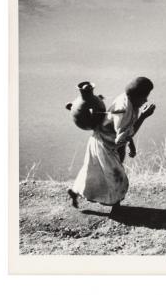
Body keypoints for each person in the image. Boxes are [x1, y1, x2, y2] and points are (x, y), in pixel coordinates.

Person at [67, 77, 156, 210]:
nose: (146, 100)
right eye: (144, 97)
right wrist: (143, 117)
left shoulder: (130, 101)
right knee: (117, 177)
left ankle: (74, 192)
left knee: (93, 173)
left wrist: (131, 146)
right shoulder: (124, 109)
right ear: (136, 96)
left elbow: (126, 128)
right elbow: (122, 137)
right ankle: (116, 208)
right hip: (103, 145)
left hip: (108, 143)